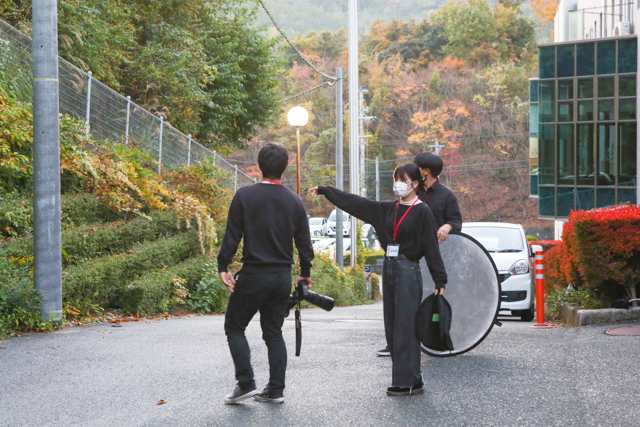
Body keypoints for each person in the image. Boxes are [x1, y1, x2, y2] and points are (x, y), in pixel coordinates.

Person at [310, 163, 447, 396]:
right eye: (396, 179)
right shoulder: (387, 209)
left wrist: (439, 280)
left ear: (415, 183)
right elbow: (355, 203)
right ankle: (407, 377)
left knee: (406, 327)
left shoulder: (422, 210)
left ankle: (409, 382)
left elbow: (431, 247)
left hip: (409, 269)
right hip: (390, 269)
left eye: (403, 179)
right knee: (392, 327)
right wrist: (326, 190)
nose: (398, 184)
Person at [218, 143, 314, 405]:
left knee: (235, 326)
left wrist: (223, 266)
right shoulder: (294, 201)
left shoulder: (245, 196)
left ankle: (246, 382)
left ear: (259, 166)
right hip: (281, 277)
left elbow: (233, 234)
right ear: (284, 168)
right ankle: (275, 390)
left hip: (253, 275)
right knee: (273, 333)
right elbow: (304, 244)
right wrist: (304, 272)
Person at [376, 152, 462, 358]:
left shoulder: (446, 195)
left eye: (418, 167)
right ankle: (396, 343)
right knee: (403, 305)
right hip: (411, 258)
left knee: (430, 302)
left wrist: (447, 226)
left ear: (425, 171)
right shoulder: (413, 191)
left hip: (435, 255)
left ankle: (435, 338)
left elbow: (457, 222)